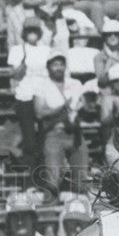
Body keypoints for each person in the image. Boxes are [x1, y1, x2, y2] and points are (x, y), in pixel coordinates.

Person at [33, 51, 89, 198]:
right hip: (54, 134)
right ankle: (49, 211)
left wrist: (82, 106)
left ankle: (80, 211)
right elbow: (39, 112)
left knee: (82, 179)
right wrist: (63, 107)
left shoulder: (75, 83)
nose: (58, 67)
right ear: (48, 67)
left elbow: (84, 102)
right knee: (53, 179)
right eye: (55, 64)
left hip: (75, 132)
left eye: (61, 64)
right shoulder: (41, 85)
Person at [8, 15, 51, 171]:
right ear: (24, 32)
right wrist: (23, 62)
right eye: (29, 30)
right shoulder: (17, 50)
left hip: (43, 97)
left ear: (39, 32)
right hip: (24, 96)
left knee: (44, 139)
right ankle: (30, 175)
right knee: (29, 139)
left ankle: (42, 172)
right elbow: (14, 74)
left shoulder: (46, 49)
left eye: (35, 30)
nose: (32, 33)